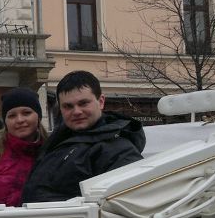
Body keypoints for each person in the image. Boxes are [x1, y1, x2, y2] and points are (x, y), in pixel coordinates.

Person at [20, 70, 144, 203]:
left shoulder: (118, 150)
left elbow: (126, 204)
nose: (77, 112)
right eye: (68, 106)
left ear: (101, 101)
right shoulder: (58, 141)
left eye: (83, 103)